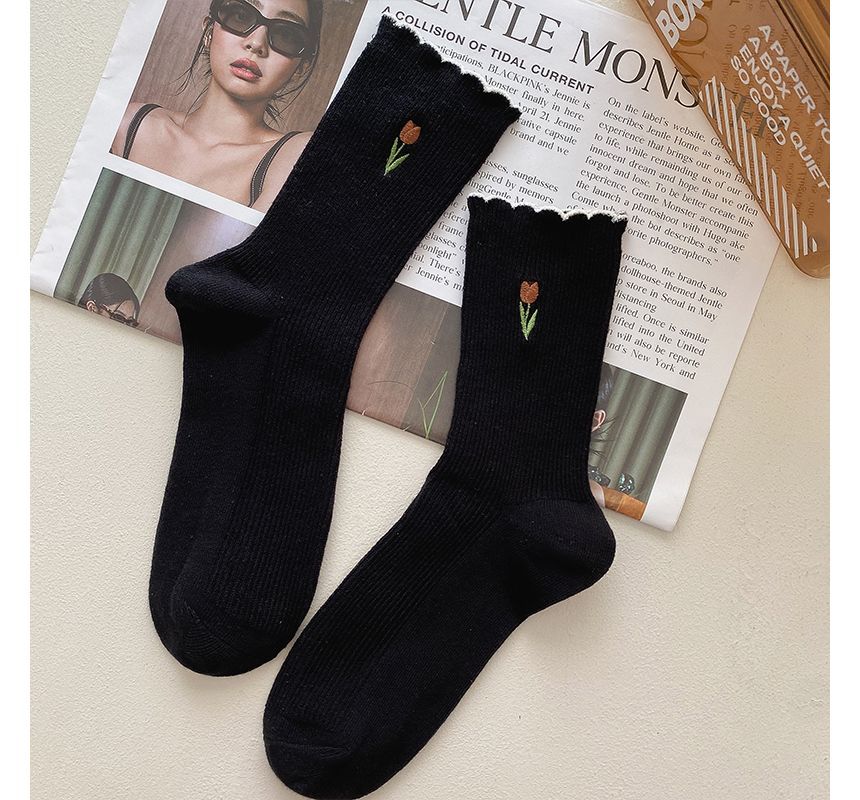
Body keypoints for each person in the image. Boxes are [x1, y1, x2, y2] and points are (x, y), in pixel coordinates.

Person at [111, 0, 323, 210]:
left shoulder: (297, 154)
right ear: (209, 32)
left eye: (286, 34)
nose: (256, 43)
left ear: (301, 68)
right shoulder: (131, 125)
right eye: (241, 16)